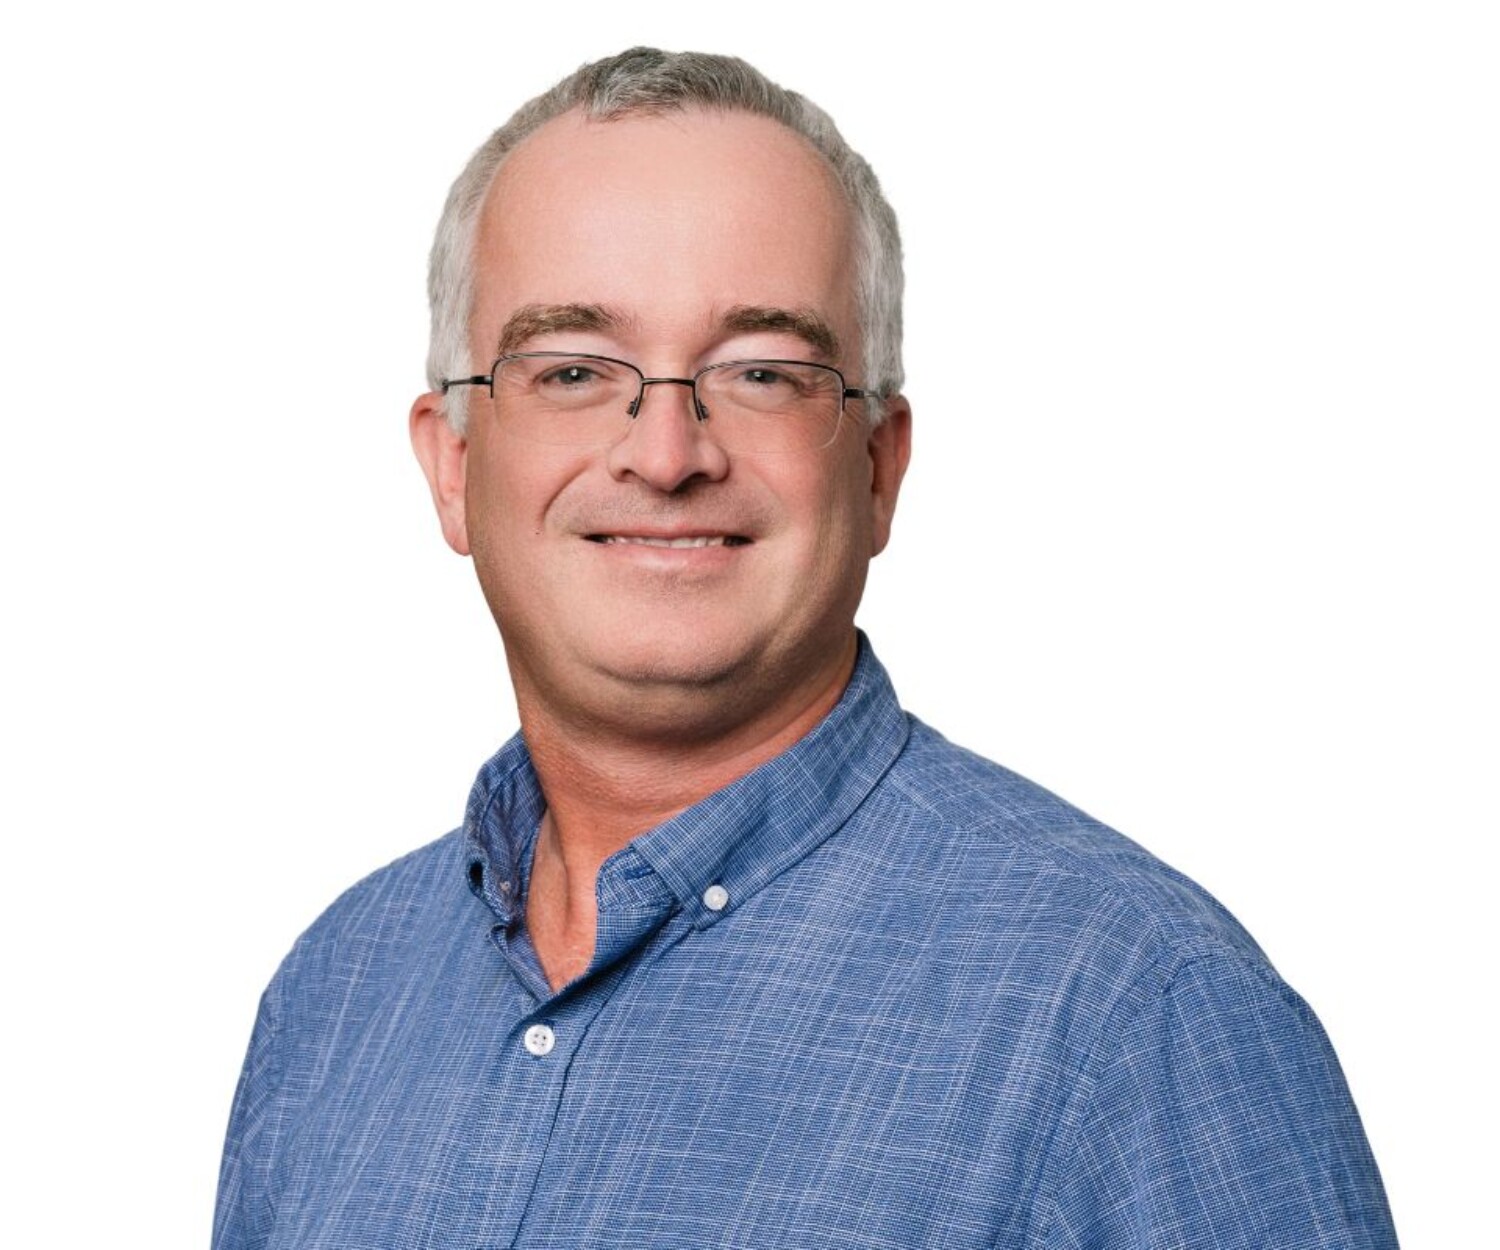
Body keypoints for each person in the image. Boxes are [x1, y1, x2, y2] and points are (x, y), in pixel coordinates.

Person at [213, 47, 1398, 1250]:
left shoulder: (1139, 1019)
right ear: (453, 464)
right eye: (571, 368)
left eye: (762, 372)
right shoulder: (336, 997)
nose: (666, 454)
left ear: (878, 466)